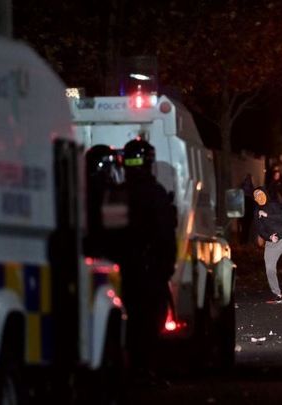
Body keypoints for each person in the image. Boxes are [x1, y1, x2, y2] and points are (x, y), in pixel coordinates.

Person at [120, 137, 178, 383]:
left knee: (132, 323)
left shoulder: (117, 194)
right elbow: (166, 235)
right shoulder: (156, 195)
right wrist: (165, 269)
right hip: (150, 272)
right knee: (150, 324)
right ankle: (146, 370)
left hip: (123, 272)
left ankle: (131, 369)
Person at [240, 173, 255, 244]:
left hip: (247, 209)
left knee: (245, 227)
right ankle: (244, 240)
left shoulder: (250, 189)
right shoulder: (248, 189)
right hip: (246, 208)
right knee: (245, 227)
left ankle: (244, 241)